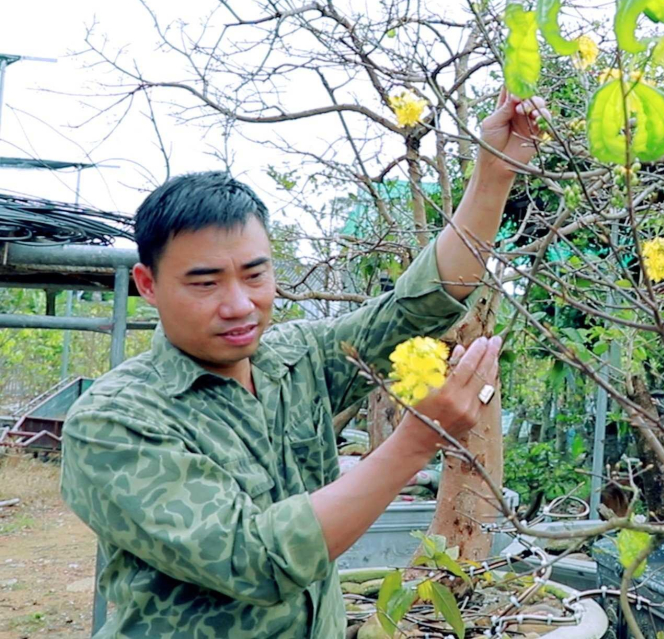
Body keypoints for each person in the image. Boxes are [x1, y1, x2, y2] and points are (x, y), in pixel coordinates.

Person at [59, 90, 549, 638]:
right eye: (205, 282)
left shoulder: (297, 359)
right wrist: (416, 441)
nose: (239, 304)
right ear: (147, 285)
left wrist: (494, 175)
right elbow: (255, 560)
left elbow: (419, 306)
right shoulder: (113, 422)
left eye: (255, 274)